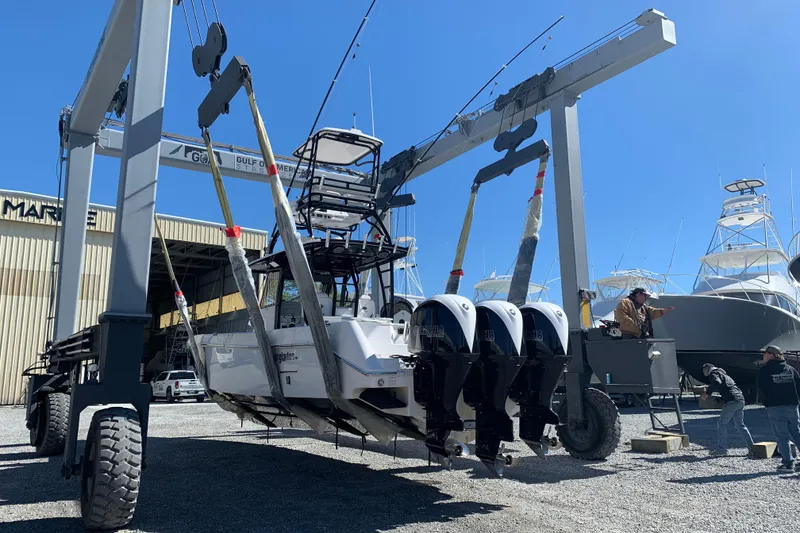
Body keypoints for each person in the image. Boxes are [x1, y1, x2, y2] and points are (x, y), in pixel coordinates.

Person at [758, 345, 800, 471]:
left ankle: (788, 463)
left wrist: (766, 403)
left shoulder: (764, 371)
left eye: (765, 353)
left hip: (775, 407)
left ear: (772, 355)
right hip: (792, 406)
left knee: (782, 436)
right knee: (797, 432)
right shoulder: (790, 369)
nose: (763, 355)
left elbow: (761, 390)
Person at [701, 363, 755, 456]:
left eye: (703, 370)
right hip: (740, 398)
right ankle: (752, 448)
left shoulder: (714, 373)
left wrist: (707, 393)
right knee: (740, 425)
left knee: (721, 424)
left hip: (732, 401)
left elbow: (717, 382)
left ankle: (722, 449)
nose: (703, 372)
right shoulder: (723, 373)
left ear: (708, 368)